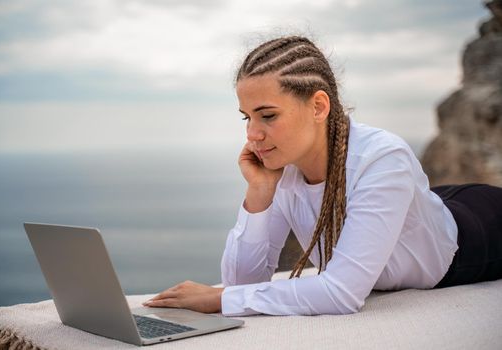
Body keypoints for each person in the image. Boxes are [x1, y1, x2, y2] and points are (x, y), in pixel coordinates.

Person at [142, 36, 502, 316]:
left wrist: (219, 298)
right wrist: (260, 193)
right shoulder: (282, 169)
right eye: (246, 117)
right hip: (424, 206)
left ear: (318, 106)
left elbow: (342, 293)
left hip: (476, 232)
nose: (252, 134)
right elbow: (242, 284)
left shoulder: (383, 157)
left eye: (267, 115)